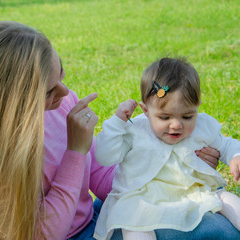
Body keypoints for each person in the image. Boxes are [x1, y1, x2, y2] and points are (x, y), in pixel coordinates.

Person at [0, 23, 236, 240]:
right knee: (214, 233)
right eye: (50, 90)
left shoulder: (60, 104)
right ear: (14, 104)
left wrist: (175, 163)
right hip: (67, 234)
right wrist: (75, 151)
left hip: (95, 214)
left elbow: (103, 177)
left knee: (214, 220)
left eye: (62, 76)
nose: (66, 93)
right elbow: (45, 233)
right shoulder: (3, 152)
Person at [93, 57, 240, 240]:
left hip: (193, 192)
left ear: (197, 108)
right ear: (146, 111)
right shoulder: (135, 131)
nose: (176, 125)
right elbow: (105, 156)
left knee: (228, 200)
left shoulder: (202, 126)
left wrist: (235, 155)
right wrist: (116, 123)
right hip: (142, 199)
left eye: (187, 116)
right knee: (134, 225)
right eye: (164, 118)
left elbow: (225, 144)